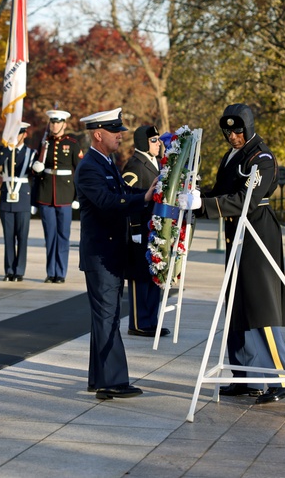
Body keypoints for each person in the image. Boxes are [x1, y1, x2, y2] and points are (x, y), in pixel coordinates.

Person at [198, 103, 285, 405]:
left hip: (257, 236)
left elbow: (245, 200)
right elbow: (219, 192)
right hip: (237, 236)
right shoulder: (233, 157)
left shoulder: (262, 158)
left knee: (260, 307)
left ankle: (282, 379)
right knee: (236, 306)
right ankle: (246, 376)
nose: (232, 135)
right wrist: (195, 196)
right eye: (228, 131)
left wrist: (201, 205)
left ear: (248, 127)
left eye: (238, 129)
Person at [75, 108, 155, 400]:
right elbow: (108, 202)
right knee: (108, 317)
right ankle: (113, 381)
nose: (120, 135)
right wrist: (144, 198)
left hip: (110, 252)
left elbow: (125, 194)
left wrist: (152, 194)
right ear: (98, 135)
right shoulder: (90, 167)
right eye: (114, 131)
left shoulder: (106, 162)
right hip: (101, 255)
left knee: (104, 318)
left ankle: (99, 378)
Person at [121, 125, 169, 338]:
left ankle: (151, 321)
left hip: (153, 228)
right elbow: (128, 197)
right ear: (143, 142)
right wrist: (135, 229)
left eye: (158, 140)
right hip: (140, 229)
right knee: (139, 278)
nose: (158, 144)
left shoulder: (154, 163)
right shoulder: (134, 165)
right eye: (154, 140)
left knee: (152, 275)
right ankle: (139, 322)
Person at [32, 109, 81, 283]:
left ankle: (60, 272)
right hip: (46, 194)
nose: (54, 125)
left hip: (65, 195)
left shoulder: (73, 143)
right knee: (50, 236)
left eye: (57, 122)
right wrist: (36, 168)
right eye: (52, 122)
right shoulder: (44, 143)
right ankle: (50, 272)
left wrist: (77, 197)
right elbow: (37, 168)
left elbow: (79, 172)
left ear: (64, 124)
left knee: (63, 236)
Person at [0, 122, 36, 281]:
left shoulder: (31, 153)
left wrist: (35, 203)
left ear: (24, 134)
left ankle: (19, 271)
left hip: (23, 196)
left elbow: (35, 176)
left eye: (18, 134)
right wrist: (8, 148)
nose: (15, 137)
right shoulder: (5, 151)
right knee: (8, 237)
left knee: (22, 237)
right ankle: (9, 270)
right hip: (6, 197)